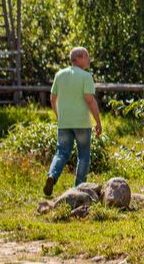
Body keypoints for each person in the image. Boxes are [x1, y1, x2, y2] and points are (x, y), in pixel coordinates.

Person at [44, 46, 102, 196]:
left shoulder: (59, 75)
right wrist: (98, 121)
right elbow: (90, 100)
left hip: (64, 123)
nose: (89, 60)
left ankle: (52, 175)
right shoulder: (85, 77)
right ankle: (79, 189)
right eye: (87, 57)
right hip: (82, 123)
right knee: (83, 155)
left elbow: (52, 98)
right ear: (80, 57)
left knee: (61, 152)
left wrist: (59, 116)